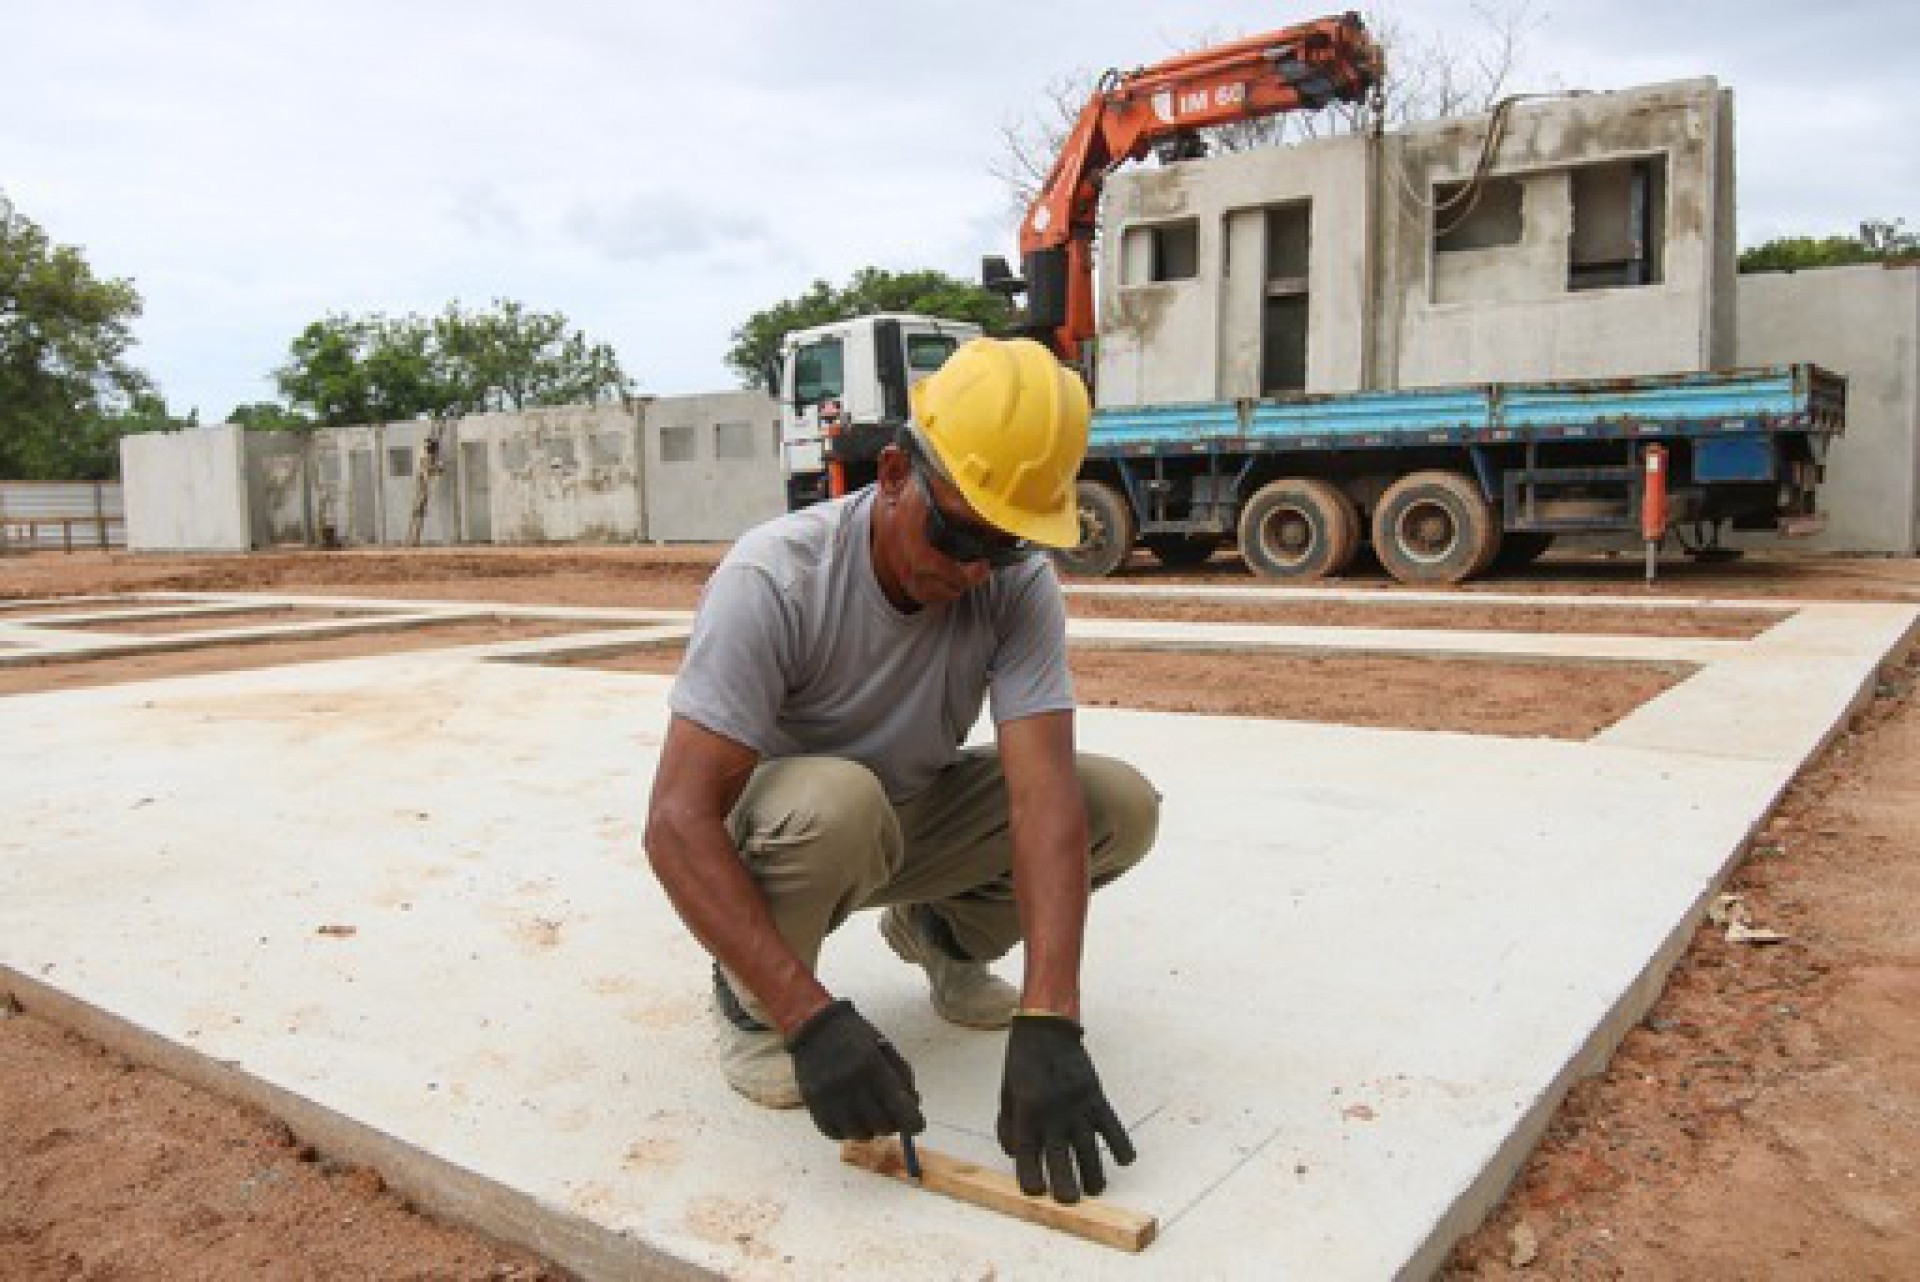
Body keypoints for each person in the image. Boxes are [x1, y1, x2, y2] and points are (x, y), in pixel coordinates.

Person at [644, 336, 1159, 1205]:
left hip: (911, 817)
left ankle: (943, 939)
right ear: (891, 473)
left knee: (1117, 803)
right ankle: (751, 1002)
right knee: (838, 798)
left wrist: (1051, 1018)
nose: (971, 571)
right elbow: (675, 822)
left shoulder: (1016, 584)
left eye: (1001, 549)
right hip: (795, 839)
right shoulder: (774, 578)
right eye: (956, 532)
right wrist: (810, 1019)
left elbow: (1042, 802)